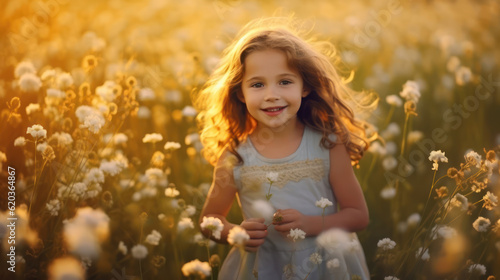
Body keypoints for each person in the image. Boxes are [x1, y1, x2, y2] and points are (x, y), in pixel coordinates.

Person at [196, 17, 375, 280]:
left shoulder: (328, 144)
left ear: (305, 87)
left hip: (325, 265)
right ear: (240, 93)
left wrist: (310, 224)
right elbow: (210, 219)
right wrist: (235, 233)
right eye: (257, 84)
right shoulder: (235, 155)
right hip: (263, 267)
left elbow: (358, 216)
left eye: (285, 82)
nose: (271, 94)